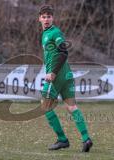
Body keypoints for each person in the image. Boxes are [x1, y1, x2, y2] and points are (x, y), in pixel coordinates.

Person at [38, 5, 93, 152]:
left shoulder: (54, 32)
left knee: (45, 106)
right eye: (44, 16)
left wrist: (53, 72)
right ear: (39, 19)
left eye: (49, 16)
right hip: (67, 75)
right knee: (71, 107)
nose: (46, 19)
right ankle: (86, 138)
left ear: (53, 18)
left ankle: (62, 140)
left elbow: (63, 53)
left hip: (57, 76)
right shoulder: (45, 34)